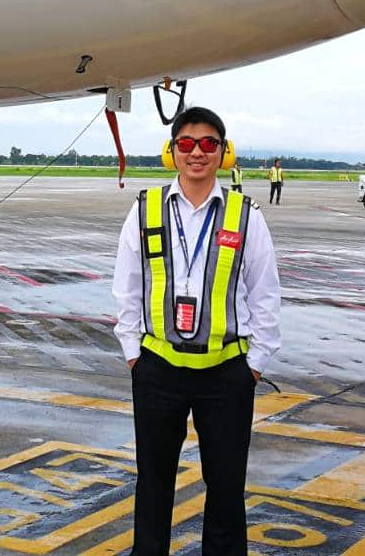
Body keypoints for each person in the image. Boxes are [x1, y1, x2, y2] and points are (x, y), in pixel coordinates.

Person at [113, 106, 281, 556]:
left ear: (223, 153)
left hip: (226, 373)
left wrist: (255, 366)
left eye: (209, 143)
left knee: (226, 489)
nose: (197, 152)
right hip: (158, 368)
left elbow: (265, 294)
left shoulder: (245, 215)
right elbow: (126, 288)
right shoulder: (146, 209)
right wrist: (135, 355)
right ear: (173, 152)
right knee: (153, 484)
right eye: (186, 143)